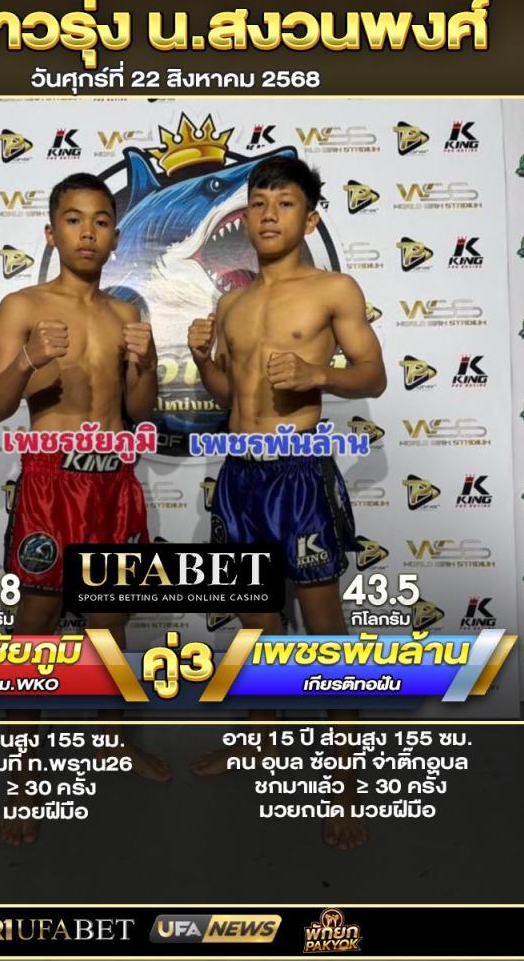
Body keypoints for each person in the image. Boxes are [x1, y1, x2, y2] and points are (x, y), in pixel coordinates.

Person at [187, 155, 386, 849]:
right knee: (258, 625)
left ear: (311, 217)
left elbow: (373, 375)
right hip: (240, 475)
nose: (269, 215)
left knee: (324, 630)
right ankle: (262, 740)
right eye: (259, 203)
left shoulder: (333, 289)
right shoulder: (232, 303)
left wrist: (314, 372)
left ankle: (344, 782)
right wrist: (206, 361)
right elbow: (229, 396)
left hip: (298, 474)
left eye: (285, 203)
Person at [0, 173, 171, 845]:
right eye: (73, 219)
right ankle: (22, 778)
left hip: (115, 482)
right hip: (51, 483)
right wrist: (29, 359)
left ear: (115, 237)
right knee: (34, 630)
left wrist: (146, 365)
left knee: (109, 626)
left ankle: (114, 743)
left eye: (100, 221)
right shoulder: (23, 306)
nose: (87, 232)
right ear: (51, 232)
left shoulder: (124, 314)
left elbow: (139, 411)